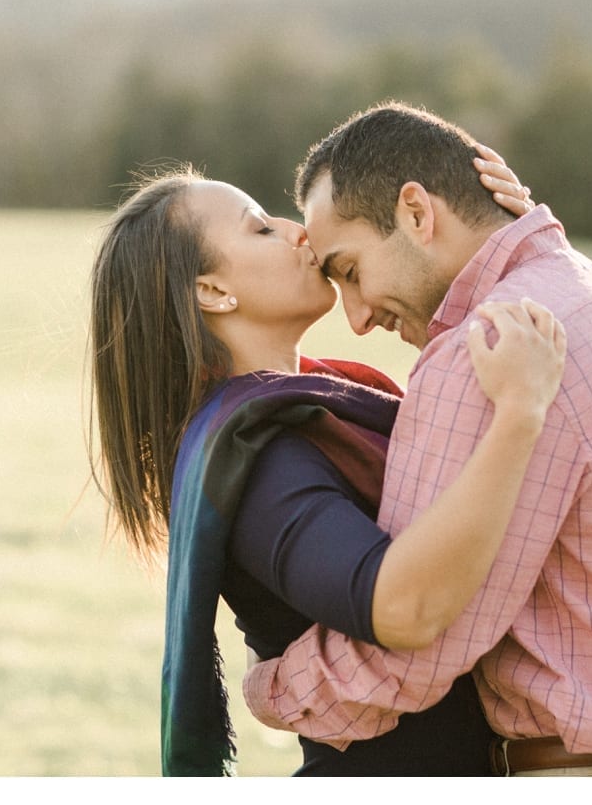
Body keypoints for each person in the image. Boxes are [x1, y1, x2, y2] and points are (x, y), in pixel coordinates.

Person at [242, 101, 592, 777]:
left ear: (416, 212)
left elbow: (418, 632)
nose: (359, 315)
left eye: (348, 271)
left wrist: (271, 688)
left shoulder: (488, 346)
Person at [87, 156, 567, 776]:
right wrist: (519, 414)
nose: (297, 232)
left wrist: (505, 235)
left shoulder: (325, 399)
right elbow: (401, 608)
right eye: (260, 228)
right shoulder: (258, 461)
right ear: (211, 291)